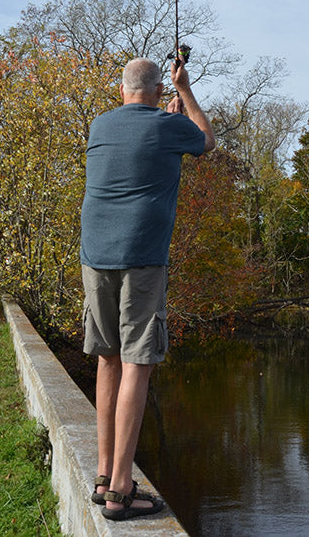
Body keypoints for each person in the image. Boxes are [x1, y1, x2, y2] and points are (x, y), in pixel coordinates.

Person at [80, 56, 215, 521]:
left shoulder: (99, 125)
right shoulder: (166, 124)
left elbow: (138, 150)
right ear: (159, 90)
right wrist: (188, 94)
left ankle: (103, 475)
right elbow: (207, 141)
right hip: (141, 256)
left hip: (95, 255)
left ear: (122, 91)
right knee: (138, 361)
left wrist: (165, 112)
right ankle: (120, 492)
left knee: (108, 356)